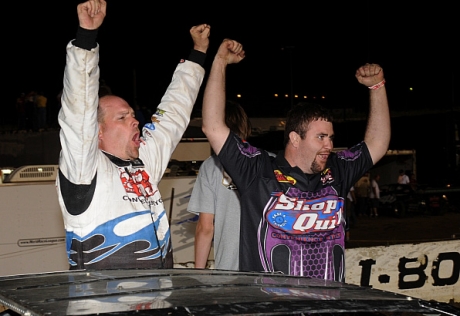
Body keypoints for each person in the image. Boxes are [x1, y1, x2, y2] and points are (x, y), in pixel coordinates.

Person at [201, 39, 390, 281]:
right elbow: (213, 126)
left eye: (331, 137)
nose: (329, 145)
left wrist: (378, 87)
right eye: (321, 137)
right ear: (295, 138)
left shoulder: (337, 171)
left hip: (328, 305)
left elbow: (377, 144)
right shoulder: (258, 171)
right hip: (273, 306)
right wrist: (219, 62)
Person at [56, 0, 210, 270]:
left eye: (132, 114)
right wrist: (86, 39)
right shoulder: (84, 169)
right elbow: (77, 110)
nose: (135, 121)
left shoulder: (143, 162)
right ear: (97, 131)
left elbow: (173, 114)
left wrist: (198, 54)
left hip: (157, 300)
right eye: (122, 117)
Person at [187, 99, 252, 270]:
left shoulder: (210, 167)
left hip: (230, 270)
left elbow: (205, 227)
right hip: (270, 267)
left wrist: (199, 273)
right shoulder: (269, 161)